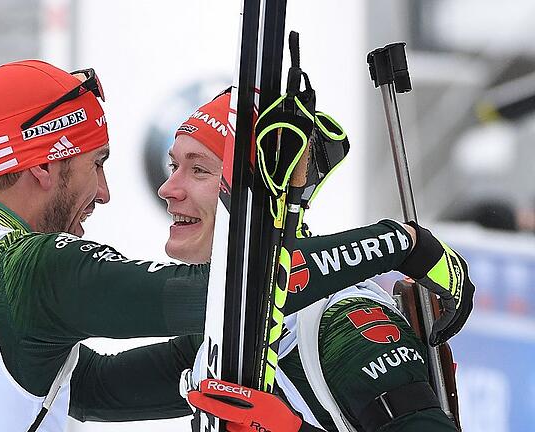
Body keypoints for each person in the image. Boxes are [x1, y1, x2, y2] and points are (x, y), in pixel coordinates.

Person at [0, 61, 469, 432]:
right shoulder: (26, 269)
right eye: (97, 163)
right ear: (44, 165)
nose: (121, 192)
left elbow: (99, 385)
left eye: (197, 169)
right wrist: (397, 243)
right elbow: (221, 302)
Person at [166, 92, 465, 431]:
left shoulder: (344, 324)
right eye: (173, 166)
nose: (167, 188)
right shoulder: (232, 322)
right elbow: (96, 387)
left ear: (259, 193)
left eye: (199, 170)